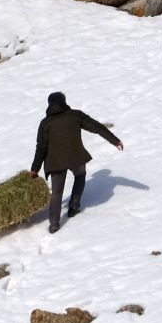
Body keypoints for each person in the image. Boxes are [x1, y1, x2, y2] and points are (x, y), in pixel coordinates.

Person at [29, 92, 123, 233]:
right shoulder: (75, 115)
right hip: (76, 158)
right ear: (64, 102)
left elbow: (41, 147)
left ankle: (54, 224)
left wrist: (35, 169)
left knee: (56, 193)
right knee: (80, 176)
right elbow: (97, 127)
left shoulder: (45, 123)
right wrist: (115, 140)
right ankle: (73, 207)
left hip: (55, 163)